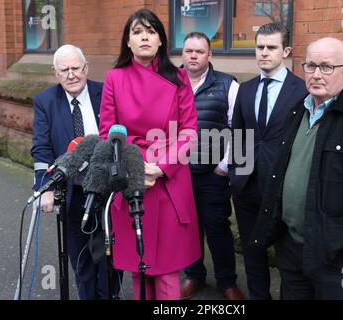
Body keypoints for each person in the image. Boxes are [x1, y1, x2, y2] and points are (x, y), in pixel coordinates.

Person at [250, 37, 343, 299]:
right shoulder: (297, 111)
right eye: (310, 66)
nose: (316, 74)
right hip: (292, 249)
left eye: (327, 67)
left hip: (340, 260)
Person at [98, 9, 201, 300]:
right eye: (137, 31)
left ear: (160, 41)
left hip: (169, 181)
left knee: (168, 273)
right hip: (132, 178)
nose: (144, 36)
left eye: (151, 31)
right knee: (138, 270)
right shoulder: (114, 78)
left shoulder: (179, 78)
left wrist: (161, 166)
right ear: (127, 42)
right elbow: (109, 130)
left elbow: (189, 132)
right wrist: (138, 163)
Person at [31, 44, 119, 299]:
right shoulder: (45, 101)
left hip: (108, 191)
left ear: (86, 68)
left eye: (76, 68)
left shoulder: (106, 93)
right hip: (72, 191)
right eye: (64, 70)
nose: (71, 75)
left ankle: (109, 295)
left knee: (110, 256)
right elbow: (41, 148)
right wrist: (44, 187)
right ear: (55, 73)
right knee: (81, 258)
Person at [230, 22, 308, 300]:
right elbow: (238, 134)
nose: (264, 52)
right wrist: (235, 177)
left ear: (285, 51)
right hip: (247, 188)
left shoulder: (303, 91)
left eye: (271, 47)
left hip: (285, 192)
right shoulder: (246, 89)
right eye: (260, 46)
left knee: (288, 260)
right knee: (253, 255)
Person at [179, 32, 246, 300]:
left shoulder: (228, 85)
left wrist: (224, 167)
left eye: (200, 51)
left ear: (210, 55)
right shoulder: (170, 82)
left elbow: (239, 128)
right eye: (189, 51)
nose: (193, 56)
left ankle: (227, 282)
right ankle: (194, 276)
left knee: (218, 229)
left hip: (213, 175)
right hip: (179, 172)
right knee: (187, 228)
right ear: (182, 54)